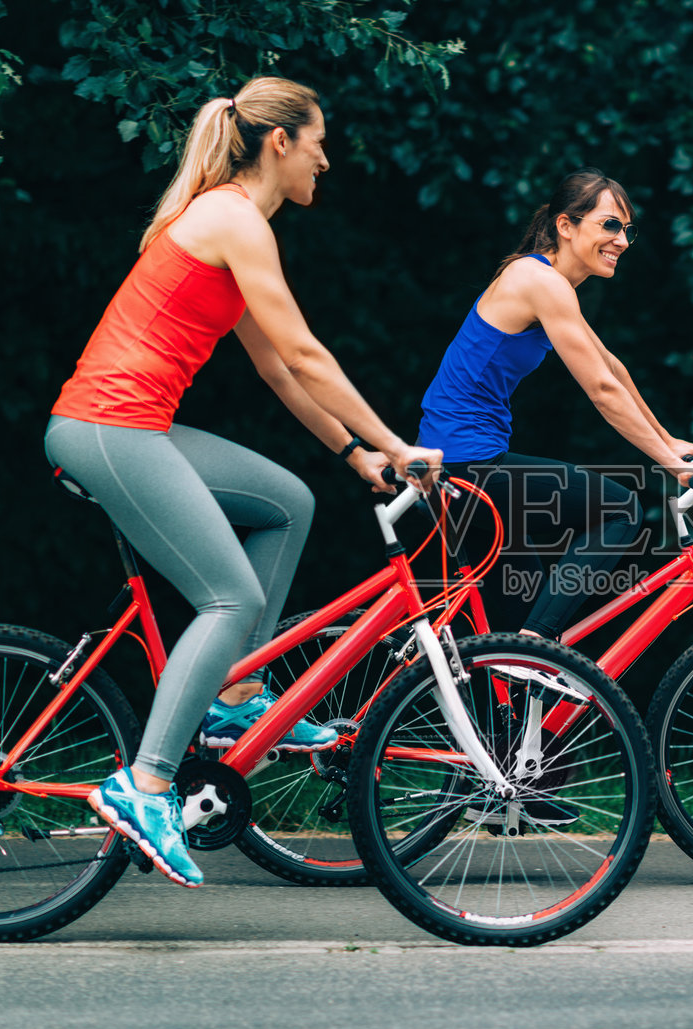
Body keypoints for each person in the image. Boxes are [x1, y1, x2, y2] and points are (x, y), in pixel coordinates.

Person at [44, 77, 441, 888]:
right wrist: (395, 443)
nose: (326, 160)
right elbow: (304, 353)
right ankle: (144, 784)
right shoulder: (233, 219)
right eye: (318, 143)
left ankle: (234, 697)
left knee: (287, 503)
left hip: (136, 426)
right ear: (279, 141)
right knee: (229, 597)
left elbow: (275, 367)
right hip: (107, 428)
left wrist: (353, 454)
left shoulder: (236, 224)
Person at [419, 168, 693, 647]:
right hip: (466, 461)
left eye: (628, 229)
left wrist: (668, 441)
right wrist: (668, 463)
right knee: (620, 510)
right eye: (610, 225)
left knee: (518, 618)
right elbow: (600, 389)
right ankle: (537, 655)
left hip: (457, 462)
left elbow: (611, 367)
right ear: (565, 225)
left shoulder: (551, 283)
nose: (622, 240)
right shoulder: (539, 280)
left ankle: (520, 669)